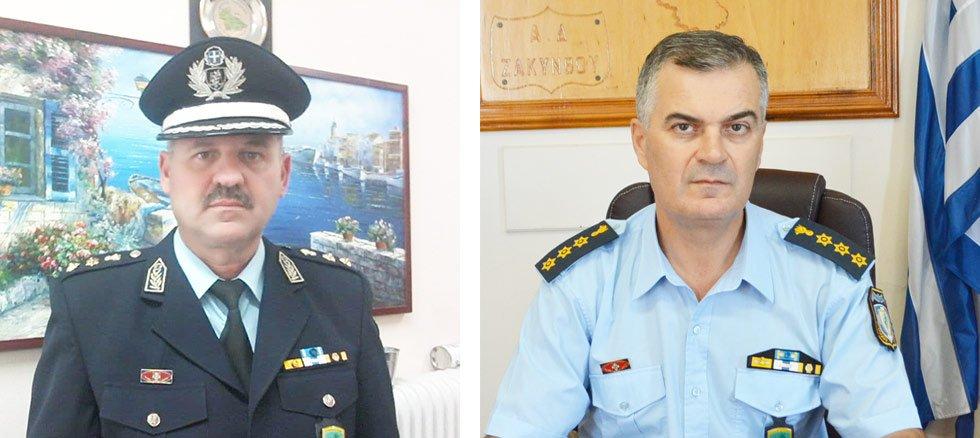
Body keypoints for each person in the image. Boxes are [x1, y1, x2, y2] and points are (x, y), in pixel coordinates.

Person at [485, 31, 923, 437]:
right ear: (641, 143)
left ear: (760, 140)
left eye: (736, 128)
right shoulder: (580, 285)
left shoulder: (828, 281)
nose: (713, 153)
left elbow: (891, 427)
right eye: (684, 127)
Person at [27, 37, 397, 437]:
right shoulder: (90, 307)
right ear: (167, 173)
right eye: (204, 154)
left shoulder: (342, 297)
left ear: (283, 174)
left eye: (251, 154)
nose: (229, 177)